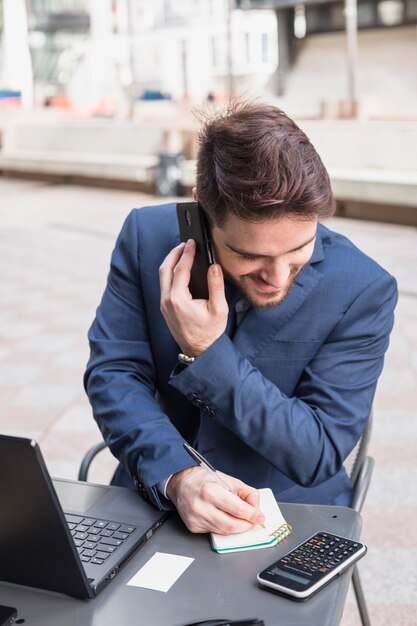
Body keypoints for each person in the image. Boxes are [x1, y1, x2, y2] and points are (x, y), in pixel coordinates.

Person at [84, 100, 397, 536]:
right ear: (201, 211)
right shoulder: (145, 237)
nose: (275, 276)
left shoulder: (362, 288)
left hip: (291, 513)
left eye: (298, 251)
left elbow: (319, 450)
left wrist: (208, 352)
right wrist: (178, 476)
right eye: (250, 255)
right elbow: (113, 373)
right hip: (156, 493)